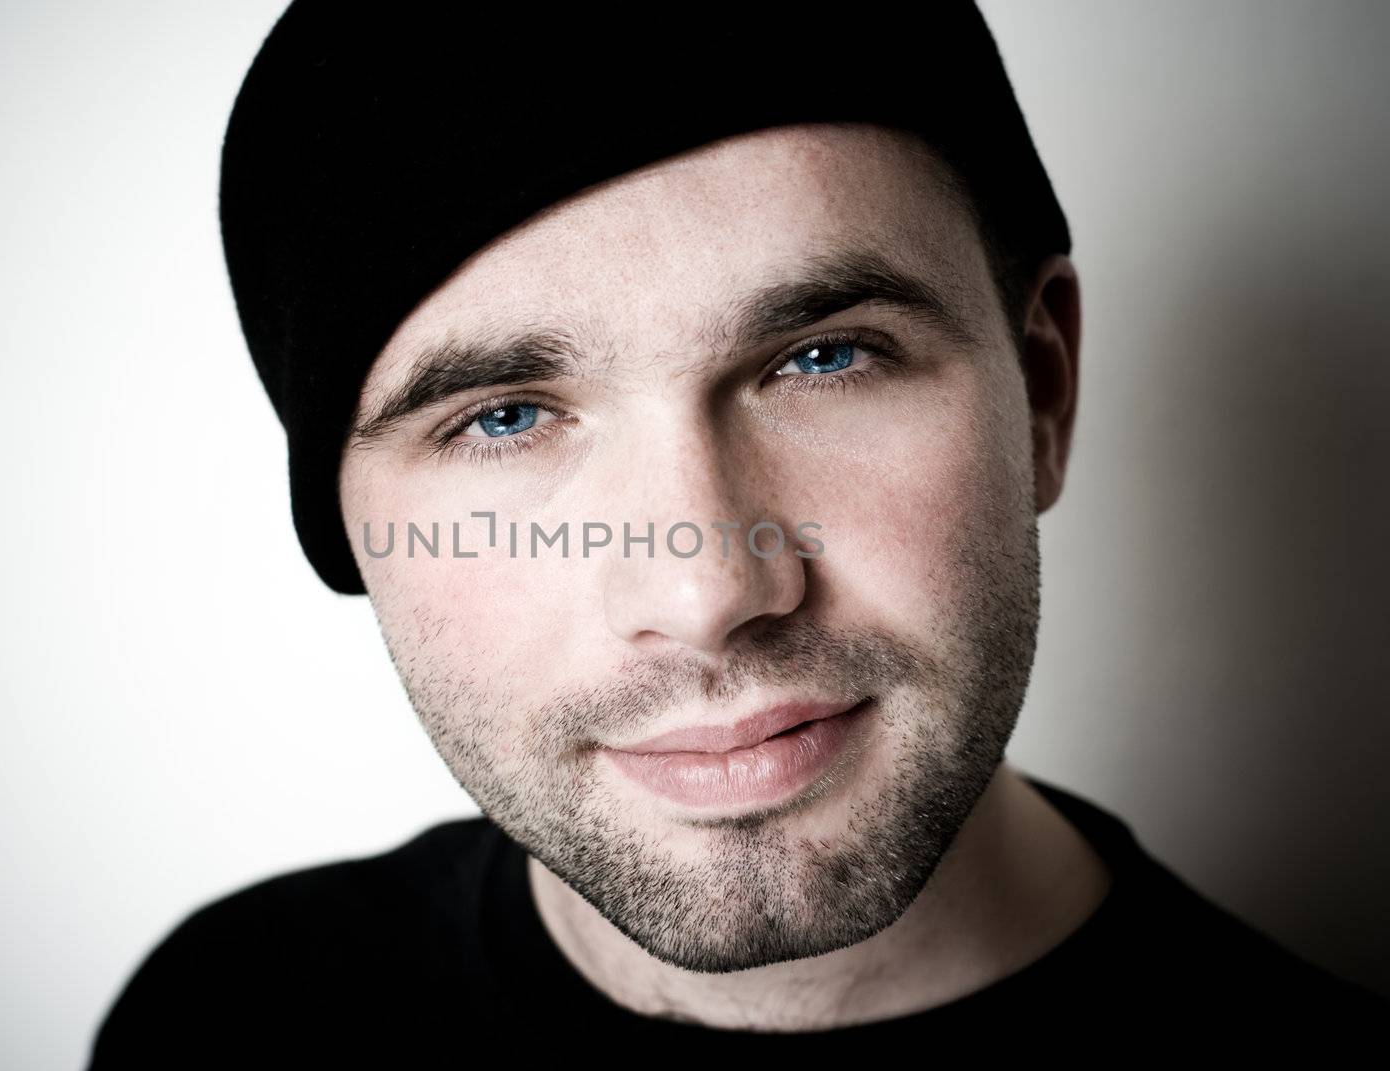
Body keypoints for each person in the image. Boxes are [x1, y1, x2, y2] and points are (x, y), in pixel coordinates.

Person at [89, 2, 1387, 1058]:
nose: (708, 589)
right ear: (350, 527)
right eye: (503, 419)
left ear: (1041, 390)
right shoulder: (227, 1019)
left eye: (824, 357)